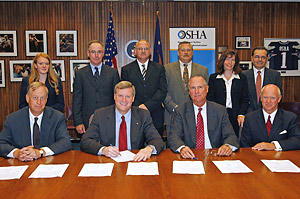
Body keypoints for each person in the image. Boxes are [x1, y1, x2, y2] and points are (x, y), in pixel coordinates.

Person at [80, 81, 164, 161]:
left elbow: (157, 140)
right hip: (109, 161)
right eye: (120, 96)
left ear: (133, 98)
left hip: (135, 161)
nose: (124, 100)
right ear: (114, 96)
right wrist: (103, 150)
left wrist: (149, 149)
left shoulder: (143, 115)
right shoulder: (100, 115)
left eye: (128, 96)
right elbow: (85, 141)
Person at [168, 75, 239, 159]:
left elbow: (231, 136)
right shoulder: (180, 111)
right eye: (193, 88)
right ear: (189, 91)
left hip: (214, 156)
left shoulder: (219, 110)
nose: (196, 91)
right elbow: (174, 136)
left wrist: (227, 146)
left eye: (200, 87)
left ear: (207, 89)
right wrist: (182, 148)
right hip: (190, 156)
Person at [0, 82, 71, 161]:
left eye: (43, 98)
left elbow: (65, 142)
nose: (39, 102)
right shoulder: (13, 119)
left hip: (48, 163)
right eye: (35, 97)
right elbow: (1, 143)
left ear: (47, 99)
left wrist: (41, 152)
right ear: (27, 98)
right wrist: (17, 153)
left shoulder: (57, 117)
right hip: (21, 164)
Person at [121, 39, 167, 136]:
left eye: (146, 48)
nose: (143, 51)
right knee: (136, 147)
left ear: (150, 51)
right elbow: (125, 92)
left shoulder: (159, 68)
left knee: (155, 146)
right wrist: (139, 106)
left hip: (155, 114)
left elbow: (162, 90)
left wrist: (147, 106)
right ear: (135, 51)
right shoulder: (126, 69)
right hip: (134, 113)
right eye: (140, 48)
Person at [73, 40, 120, 133]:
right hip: (87, 120)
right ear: (88, 53)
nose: (96, 55)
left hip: (109, 118)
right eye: (93, 52)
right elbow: (77, 99)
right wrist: (78, 122)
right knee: (89, 146)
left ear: (103, 53)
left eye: (99, 52)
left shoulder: (112, 72)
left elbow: (117, 97)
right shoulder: (80, 73)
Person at [164, 41, 209, 134]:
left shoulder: (203, 70)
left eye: (188, 50)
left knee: (194, 146)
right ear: (178, 52)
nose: (186, 52)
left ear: (192, 52)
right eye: (183, 50)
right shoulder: (167, 69)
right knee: (174, 145)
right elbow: (164, 91)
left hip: (196, 115)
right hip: (172, 115)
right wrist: (175, 108)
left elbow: (204, 92)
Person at [241, 84, 300, 151]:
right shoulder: (250, 118)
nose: (268, 101)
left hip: (281, 158)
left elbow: (297, 140)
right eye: (265, 97)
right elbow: (244, 145)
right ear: (261, 98)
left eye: (272, 98)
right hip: (256, 157)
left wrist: (274, 145)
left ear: (279, 99)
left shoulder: (290, 118)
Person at [207, 50, 249, 137]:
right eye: (227, 59)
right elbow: (210, 98)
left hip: (236, 116)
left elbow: (245, 99)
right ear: (222, 61)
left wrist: (241, 114)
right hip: (218, 116)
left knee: (233, 140)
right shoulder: (214, 78)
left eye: (233, 60)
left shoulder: (242, 78)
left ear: (236, 62)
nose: (230, 63)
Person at [243, 46, 282, 113]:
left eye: (263, 57)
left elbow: (278, 97)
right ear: (252, 58)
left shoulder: (275, 75)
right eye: (257, 57)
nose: (260, 60)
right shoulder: (243, 75)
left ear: (267, 59)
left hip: (268, 113)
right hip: (247, 115)